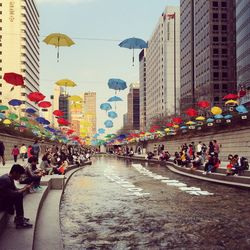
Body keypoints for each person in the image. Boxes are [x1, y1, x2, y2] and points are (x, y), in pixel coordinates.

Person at [0, 164, 33, 229]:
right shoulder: (5, 180)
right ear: (15, 173)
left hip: (4, 199)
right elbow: (12, 194)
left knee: (19, 194)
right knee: (18, 195)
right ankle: (19, 221)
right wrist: (24, 189)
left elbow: (15, 190)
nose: (20, 177)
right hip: (1, 204)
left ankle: (19, 218)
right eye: (20, 174)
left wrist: (25, 188)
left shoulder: (9, 178)